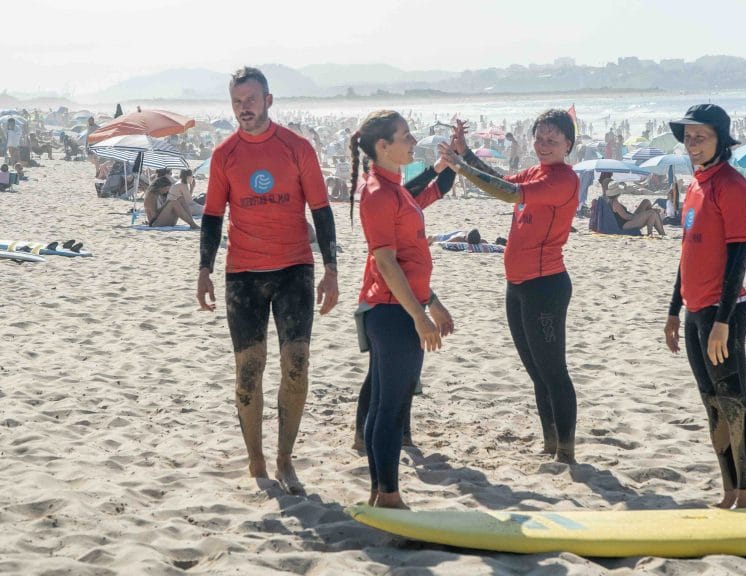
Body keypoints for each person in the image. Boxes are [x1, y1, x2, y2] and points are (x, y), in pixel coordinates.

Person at [195, 67, 339, 495]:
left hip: (294, 269)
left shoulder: (297, 148)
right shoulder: (225, 154)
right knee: (248, 370)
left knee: (296, 364)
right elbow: (212, 216)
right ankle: (256, 458)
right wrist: (204, 269)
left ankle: (284, 458)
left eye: (251, 100)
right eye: (237, 101)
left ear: (268, 101)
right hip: (243, 274)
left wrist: (331, 269)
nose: (244, 108)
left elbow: (322, 211)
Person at [441, 110, 580, 464]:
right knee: (537, 373)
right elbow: (498, 180)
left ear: (568, 144)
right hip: (517, 285)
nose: (544, 145)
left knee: (553, 372)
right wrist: (466, 153)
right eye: (539, 138)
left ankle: (566, 452)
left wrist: (461, 167)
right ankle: (550, 444)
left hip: (545, 286)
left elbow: (508, 193)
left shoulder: (563, 179)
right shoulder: (536, 172)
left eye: (552, 140)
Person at [351, 110, 454, 509]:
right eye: (405, 136)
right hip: (393, 313)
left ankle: (381, 493)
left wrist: (433, 302)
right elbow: (386, 262)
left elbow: (410, 258)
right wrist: (418, 315)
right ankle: (389, 495)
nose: (412, 142)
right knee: (390, 409)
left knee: (386, 405)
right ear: (383, 146)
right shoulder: (379, 191)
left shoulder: (395, 188)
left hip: (400, 307)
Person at [663, 104, 746, 509]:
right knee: (713, 404)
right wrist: (674, 309)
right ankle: (729, 491)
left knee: (735, 403)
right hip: (695, 311)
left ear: (721, 139)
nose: (693, 144)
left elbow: (738, 256)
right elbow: (687, 253)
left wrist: (723, 321)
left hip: (725, 311)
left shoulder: (731, 185)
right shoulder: (696, 185)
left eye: (701, 137)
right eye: (688, 138)